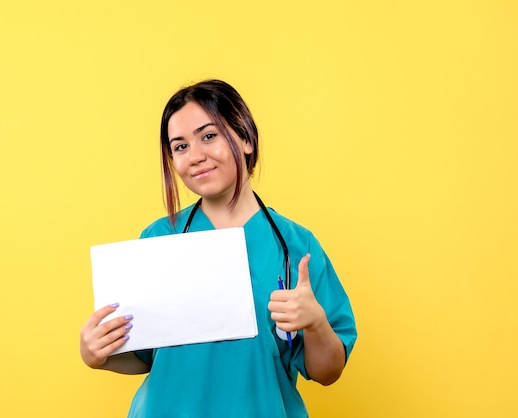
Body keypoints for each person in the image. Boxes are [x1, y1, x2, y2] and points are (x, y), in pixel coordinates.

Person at [80, 79, 357, 417]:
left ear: (245, 138)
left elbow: (327, 372)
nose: (195, 156)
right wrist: (98, 354)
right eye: (180, 147)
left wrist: (316, 323)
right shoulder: (159, 238)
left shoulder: (296, 247)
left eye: (208, 136)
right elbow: (144, 356)